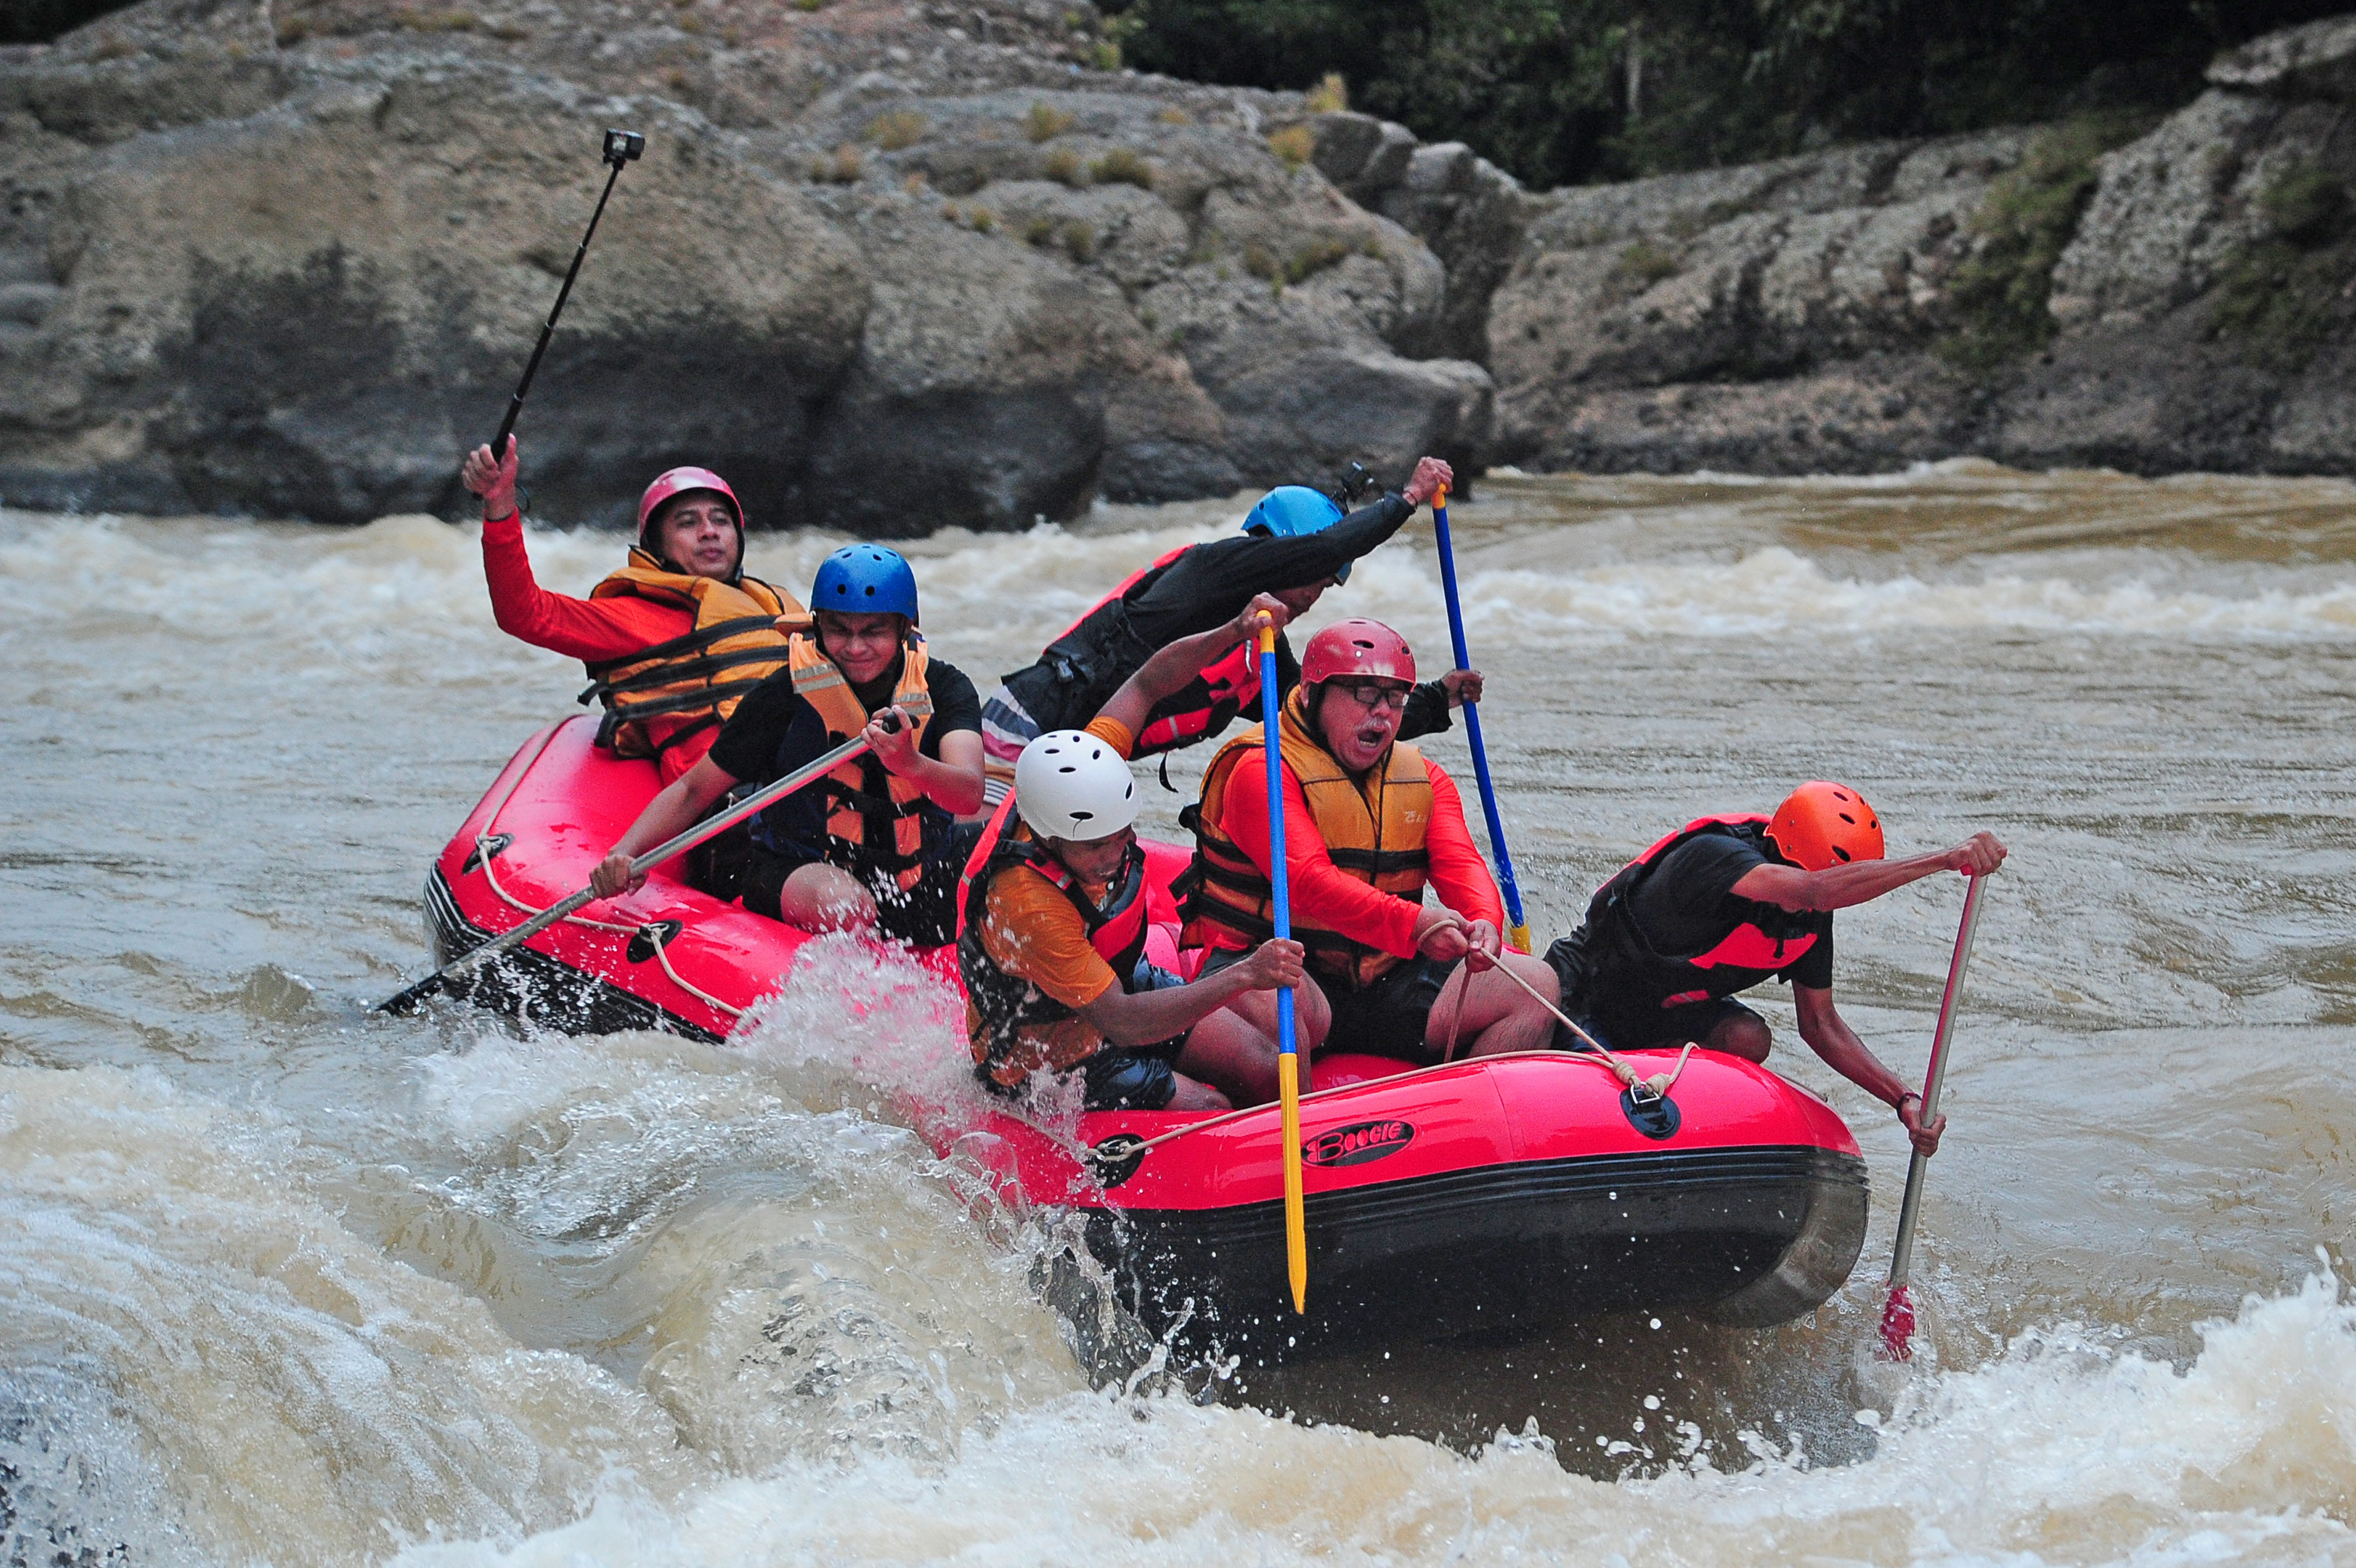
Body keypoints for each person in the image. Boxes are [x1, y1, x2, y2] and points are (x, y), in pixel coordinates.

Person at [960, 596, 1311, 1111]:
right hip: (1047, 1053)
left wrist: (1232, 632)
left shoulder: (1085, 768)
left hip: (1111, 982)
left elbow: (1149, 681)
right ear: (1050, 837)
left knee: (1262, 1067)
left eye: (1122, 835)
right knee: (1212, 1115)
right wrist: (1245, 975)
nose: (1114, 854)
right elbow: (1120, 1019)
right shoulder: (1028, 902)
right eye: (1095, 845)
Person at [976, 456, 1480, 811]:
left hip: (1077, 765)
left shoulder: (1256, 652)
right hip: (1026, 726)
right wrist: (1408, 498)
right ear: (1278, 551)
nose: (1312, 597)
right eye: (1311, 578)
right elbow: (1323, 550)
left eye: (1325, 588)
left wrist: (1439, 700)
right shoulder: (1211, 569)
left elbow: (1326, 718)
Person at [1542, 783, 2008, 1156]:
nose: (1834, 901)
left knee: (1749, 1038)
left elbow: (1822, 1025)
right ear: (1783, 856)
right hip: (1584, 997)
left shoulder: (1805, 919)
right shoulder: (1714, 857)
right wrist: (1944, 860)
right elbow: (1814, 891)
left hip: (1659, 1023)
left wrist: (1902, 1098)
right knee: (1598, 1102)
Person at [1177, 617, 1561, 1064]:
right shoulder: (1260, 772)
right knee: (1281, 988)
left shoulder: (1425, 779)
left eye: (1396, 698)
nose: (1382, 712)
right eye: (1364, 694)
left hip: (1385, 979)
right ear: (1309, 694)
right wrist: (1414, 927)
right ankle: (1299, 1128)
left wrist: (1484, 924)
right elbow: (1308, 883)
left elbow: (1462, 865)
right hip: (1278, 964)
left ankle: (1473, 1121)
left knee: (1537, 985)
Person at [590, 545, 986, 945]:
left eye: (873, 631)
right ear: (817, 625)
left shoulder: (946, 688)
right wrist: (626, 852)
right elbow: (694, 791)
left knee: (1005, 857)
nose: (854, 648)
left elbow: (969, 795)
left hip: (915, 874)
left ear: (905, 628)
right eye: (839, 629)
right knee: (847, 904)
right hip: (798, 868)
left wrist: (911, 764)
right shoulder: (783, 694)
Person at [461, 436, 808, 783]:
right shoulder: (633, 617)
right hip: (729, 801)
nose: (709, 532)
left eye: (721, 520)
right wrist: (501, 505)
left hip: (811, 772)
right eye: (688, 523)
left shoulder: (778, 605)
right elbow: (524, 613)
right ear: (656, 546)